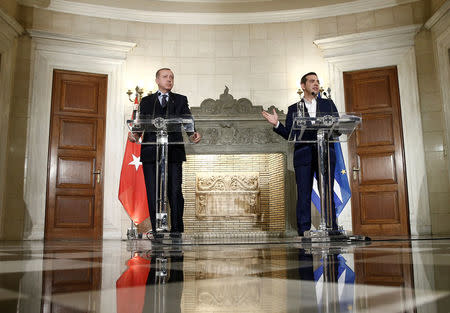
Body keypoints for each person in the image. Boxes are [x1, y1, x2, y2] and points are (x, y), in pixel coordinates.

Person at [262, 72, 339, 236]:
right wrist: (277, 124)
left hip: (325, 153)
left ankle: (332, 229)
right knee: (304, 194)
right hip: (304, 155)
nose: (316, 84)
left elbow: (337, 128)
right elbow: (290, 134)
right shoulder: (293, 109)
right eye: (312, 81)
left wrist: (335, 127)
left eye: (317, 81)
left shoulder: (329, 104)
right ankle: (304, 230)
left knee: (327, 191)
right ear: (303, 86)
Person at [128, 68, 201, 238]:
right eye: (165, 77)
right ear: (157, 80)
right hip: (151, 153)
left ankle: (176, 230)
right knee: (153, 192)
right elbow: (140, 124)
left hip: (173, 153)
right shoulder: (146, 101)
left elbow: (187, 120)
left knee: (175, 191)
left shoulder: (180, 100)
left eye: (172, 77)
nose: (169, 80)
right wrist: (135, 134)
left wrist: (193, 134)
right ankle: (157, 230)